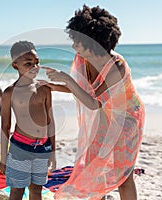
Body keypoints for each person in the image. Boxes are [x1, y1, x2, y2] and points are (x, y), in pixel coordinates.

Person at [43, 5, 145, 200]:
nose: (74, 46)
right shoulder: (83, 58)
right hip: (106, 113)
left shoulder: (116, 67)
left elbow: (93, 103)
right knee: (91, 168)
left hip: (127, 118)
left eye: (78, 42)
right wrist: (53, 86)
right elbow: (83, 92)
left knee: (124, 175)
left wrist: (65, 78)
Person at [0, 41, 56, 200]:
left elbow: (50, 121)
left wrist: (52, 150)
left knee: (36, 190)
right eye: (28, 63)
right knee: (17, 191)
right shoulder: (10, 92)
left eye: (37, 62)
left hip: (42, 147)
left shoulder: (44, 89)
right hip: (20, 148)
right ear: (15, 65)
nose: (35, 67)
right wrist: (3, 158)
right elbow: (5, 126)